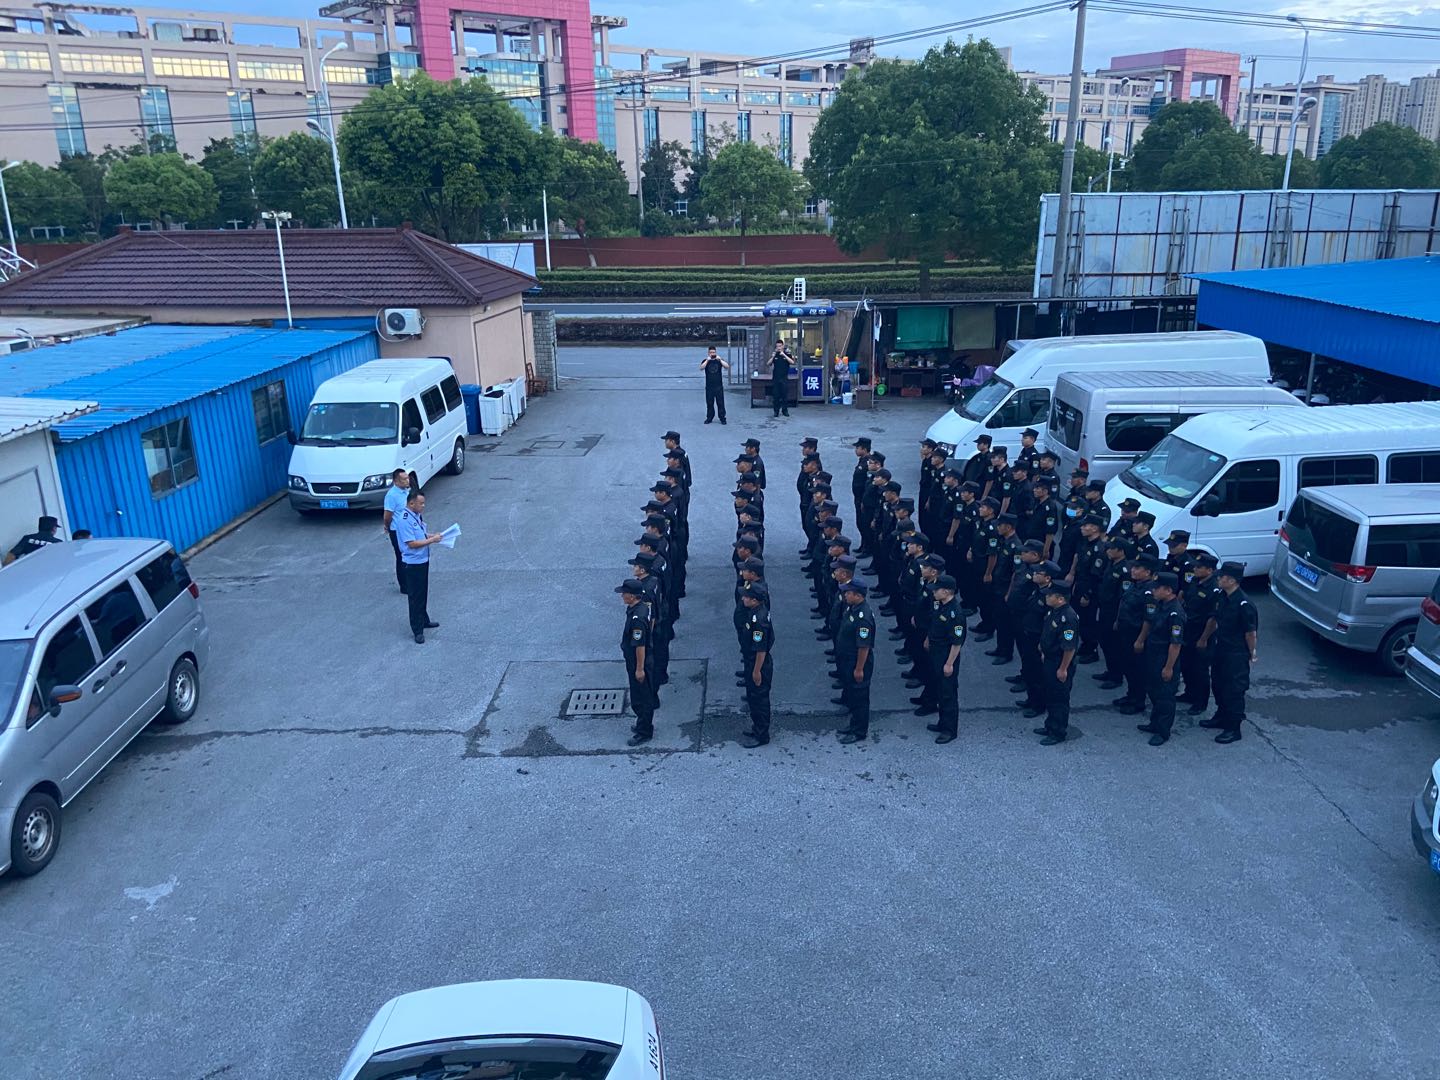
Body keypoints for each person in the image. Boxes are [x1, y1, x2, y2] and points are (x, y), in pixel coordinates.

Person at [1200, 561, 1258, 745]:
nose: (1218, 578)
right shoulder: (1221, 596)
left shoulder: (1244, 604)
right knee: (1218, 684)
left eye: (1222, 576)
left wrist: (1252, 653)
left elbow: (1250, 633)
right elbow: (1214, 620)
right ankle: (1221, 715)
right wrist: (1204, 638)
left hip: (1236, 653)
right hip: (1221, 648)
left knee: (1234, 690)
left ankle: (1233, 728)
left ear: (1232, 580)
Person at [1136, 572, 1186, 746]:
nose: (1154, 591)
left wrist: (1169, 667)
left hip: (1165, 658)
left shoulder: (1175, 613)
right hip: (1153, 654)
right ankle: (1154, 723)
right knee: (1153, 690)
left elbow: (1175, 644)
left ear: (1169, 590)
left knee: (1165, 696)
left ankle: (1163, 731)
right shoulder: (1161, 604)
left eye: (1157, 588)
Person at [922, 574, 967, 744]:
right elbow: (934, 624)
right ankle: (942, 722)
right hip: (936, 652)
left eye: (937, 590)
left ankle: (949, 730)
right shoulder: (941, 605)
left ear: (947, 591)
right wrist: (928, 639)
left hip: (946, 655)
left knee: (948, 693)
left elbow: (957, 642)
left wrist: (949, 664)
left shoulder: (955, 613)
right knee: (940, 690)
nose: (933, 592)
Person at [1113, 555, 1160, 714]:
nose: (1133, 570)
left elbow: (1148, 619)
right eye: (1133, 567)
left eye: (1137, 568)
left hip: (1137, 634)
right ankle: (1131, 695)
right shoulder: (1136, 585)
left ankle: (1138, 701)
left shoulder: (1150, 591)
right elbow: (1124, 602)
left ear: (1148, 572)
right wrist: (1117, 621)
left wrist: (1140, 640)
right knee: (1128, 666)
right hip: (1125, 631)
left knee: (1138, 669)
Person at [1177, 552, 1222, 716]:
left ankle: (1200, 702)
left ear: (1209, 570)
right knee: (1186, 664)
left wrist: (1204, 639)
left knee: (1200, 669)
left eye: (1199, 567)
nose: (1195, 569)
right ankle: (1189, 693)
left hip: (1202, 632)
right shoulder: (1195, 581)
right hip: (1188, 629)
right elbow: (1185, 596)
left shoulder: (1214, 589)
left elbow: (1213, 618)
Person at [394, 490, 442, 643]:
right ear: (411, 503)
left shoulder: (415, 516)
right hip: (413, 563)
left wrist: (434, 535)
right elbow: (412, 543)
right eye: (421, 503)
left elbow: (421, 534)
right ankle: (417, 630)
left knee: (422, 593)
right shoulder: (404, 520)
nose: (423, 506)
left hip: (422, 560)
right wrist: (432, 540)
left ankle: (424, 620)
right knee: (415, 597)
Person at [1035, 580, 1079, 744]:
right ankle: (1050, 725)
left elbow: (1069, 647)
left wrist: (1063, 669)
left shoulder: (1068, 618)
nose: (1047, 597)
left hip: (1060, 663)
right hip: (1050, 660)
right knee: (1050, 695)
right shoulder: (1054, 611)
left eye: (1050, 595)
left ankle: (1058, 732)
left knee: (1059, 699)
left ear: (1060, 599)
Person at [617, 578, 659, 747]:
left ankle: (644, 731)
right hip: (637, 659)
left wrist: (639, 669)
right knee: (640, 696)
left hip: (639, 662)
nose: (622, 596)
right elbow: (652, 621)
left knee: (641, 698)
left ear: (632, 596)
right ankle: (642, 724)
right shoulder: (640, 608)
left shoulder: (638, 618)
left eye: (624, 593)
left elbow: (639, 645)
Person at [834, 579, 876, 744]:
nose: (845, 595)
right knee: (852, 694)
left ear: (858, 595)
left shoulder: (863, 617)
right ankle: (853, 724)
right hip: (847, 660)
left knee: (860, 698)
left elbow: (864, 647)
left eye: (848, 592)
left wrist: (859, 669)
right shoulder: (852, 608)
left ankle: (859, 731)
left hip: (857, 662)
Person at [739, 582, 774, 748]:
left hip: (758, 663)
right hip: (752, 660)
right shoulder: (755, 612)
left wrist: (757, 671)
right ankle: (756, 728)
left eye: (746, 597)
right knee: (753, 697)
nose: (743, 599)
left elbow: (761, 649)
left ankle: (762, 734)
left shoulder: (759, 619)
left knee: (759, 699)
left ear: (755, 600)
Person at [382, 467, 412, 594]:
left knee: (410, 555)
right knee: (401, 557)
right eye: (404, 479)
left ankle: (411, 581)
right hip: (397, 531)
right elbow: (387, 516)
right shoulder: (391, 496)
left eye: (407, 478)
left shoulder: (406, 491)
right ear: (395, 481)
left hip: (408, 529)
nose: (407, 481)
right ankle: (404, 586)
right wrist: (387, 526)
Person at [700, 345, 730, 424]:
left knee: (720, 403)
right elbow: (701, 368)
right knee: (709, 403)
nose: (712, 354)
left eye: (714, 352)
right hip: (709, 386)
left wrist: (720, 360)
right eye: (711, 352)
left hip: (718, 386)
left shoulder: (719, 360)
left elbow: (727, 366)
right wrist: (707, 360)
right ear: (708, 353)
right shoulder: (705, 360)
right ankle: (709, 418)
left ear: (716, 352)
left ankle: (722, 418)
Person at [769, 339, 795, 417]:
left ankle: (785, 411)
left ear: (783, 346)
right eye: (777, 346)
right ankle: (776, 411)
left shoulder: (787, 354)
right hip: (776, 378)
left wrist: (784, 355)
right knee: (776, 396)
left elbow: (792, 362)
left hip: (784, 378)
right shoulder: (775, 354)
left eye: (780, 346)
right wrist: (773, 357)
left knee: (784, 396)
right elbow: (768, 363)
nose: (779, 348)